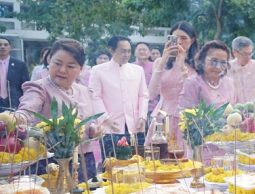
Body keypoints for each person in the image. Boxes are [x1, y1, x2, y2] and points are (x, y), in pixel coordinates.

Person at [17, 39, 104, 179]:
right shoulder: (39, 88)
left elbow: (89, 122)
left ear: (81, 69)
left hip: (83, 161)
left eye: (70, 66)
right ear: (49, 61)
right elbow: (27, 108)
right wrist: (18, 117)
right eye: (57, 63)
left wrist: (94, 129)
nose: (62, 70)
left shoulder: (84, 91)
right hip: (50, 164)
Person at [88, 36, 150, 160]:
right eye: (123, 51)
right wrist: (106, 118)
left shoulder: (137, 70)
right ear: (112, 51)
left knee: (136, 165)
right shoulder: (98, 70)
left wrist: (142, 116)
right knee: (111, 166)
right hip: (110, 126)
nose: (126, 54)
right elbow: (95, 97)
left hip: (135, 125)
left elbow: (143, 95)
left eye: (128, 51)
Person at [178, 41, 237, 162]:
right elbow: (187, 119)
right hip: (202, 150)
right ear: (202, 60)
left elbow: (235, 113)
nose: (218, 66)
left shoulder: (229, 82)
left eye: (223, 62)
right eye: (213, 61)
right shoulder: (193, 83)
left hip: (227, 150)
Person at [147, 21, 198, 150]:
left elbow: (194, 95)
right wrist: (163, 61)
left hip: (186, 118)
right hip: (162, 117)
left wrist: (182, 67)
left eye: (184, 38)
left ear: (192, 40)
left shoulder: (197, 64)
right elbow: (152, 93)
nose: (179, 42)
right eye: (175, 38)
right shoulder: (160, 62)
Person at [0, 36, 29, 111]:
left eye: (5, 45)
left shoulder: (20, 65)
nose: (3, 47)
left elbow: (25, 86)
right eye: (0, 45)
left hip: (14, 102)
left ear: (10, 48)